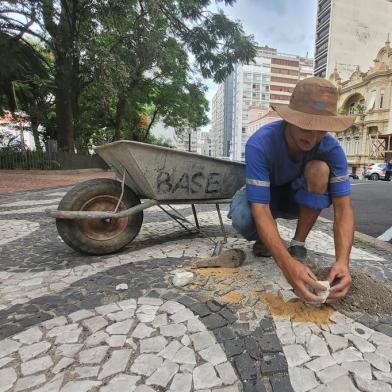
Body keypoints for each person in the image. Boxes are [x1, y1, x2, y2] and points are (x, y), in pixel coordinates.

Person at [228, 77, 355, 303]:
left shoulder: (332, 150)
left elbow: (343, 210)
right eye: (306, 126)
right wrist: (286, 265)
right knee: (243, 216)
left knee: (319, 169)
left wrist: (342, 261)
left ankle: (297, 244)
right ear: (291, 118)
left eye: (322, 130)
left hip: (297, 199)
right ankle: (268, 241)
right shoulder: (260, 144)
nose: (313, 137)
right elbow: (260, 208)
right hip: (264, 198)